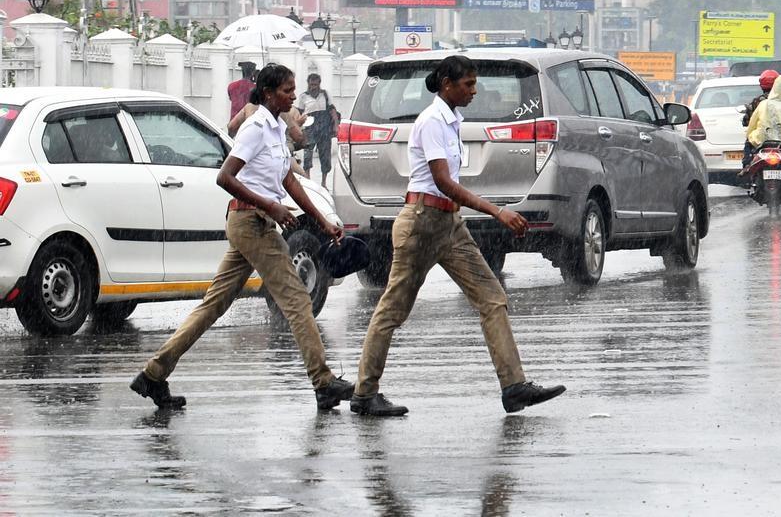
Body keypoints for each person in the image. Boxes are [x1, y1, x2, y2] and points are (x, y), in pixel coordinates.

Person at [130, 64, 355, 410]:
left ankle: (153, 373)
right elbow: (225, 177)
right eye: (286, 90)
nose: (293, 95)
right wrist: (270, 206)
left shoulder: (278, 129)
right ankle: (323, 382)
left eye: (293, 89)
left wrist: (322, 221)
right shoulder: (255, 128)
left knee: (213, 305)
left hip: (253, 223)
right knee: (296, 300)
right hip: (252, 222)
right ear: (267, 93)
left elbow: (289, 182)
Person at [351, 55, 565, 417]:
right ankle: (364, 393)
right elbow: (443, 182)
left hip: (449, 225)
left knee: (492, 298)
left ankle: (514, 387)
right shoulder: (433, 121)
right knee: (393, 310)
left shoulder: (452, 120)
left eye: (474, 83)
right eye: (467, 84)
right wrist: (497, 211)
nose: (474, 90)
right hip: (421, 223)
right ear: (447, 84)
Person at [300, 73, 338, 188]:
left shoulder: (325, 95)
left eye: (316, 84)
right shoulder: (303, 97)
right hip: (309, 128)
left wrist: (336, 125)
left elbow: (332, 110)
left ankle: (324, 182)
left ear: (319, 84)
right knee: (307, 153)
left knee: (325, 155)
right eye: (311, 84)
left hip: (324, 128)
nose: (313, 87)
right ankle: (308, 181)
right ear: (308, 83)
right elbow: (299, 113)